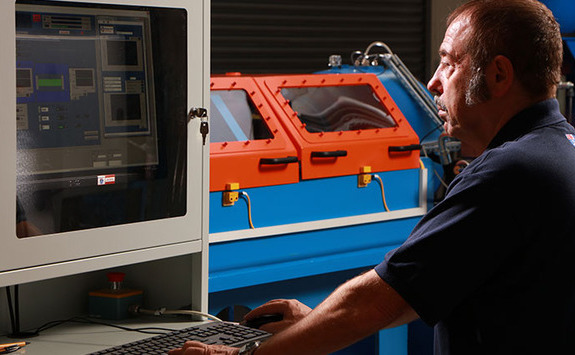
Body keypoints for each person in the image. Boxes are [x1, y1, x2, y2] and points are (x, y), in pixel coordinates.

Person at [170, 0, 575, 353]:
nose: (433, 80)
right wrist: (318, 322)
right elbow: (422, 287)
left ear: (499, 75)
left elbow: (382, 302)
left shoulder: (509, 174)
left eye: (450, 62)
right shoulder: (560, 149)